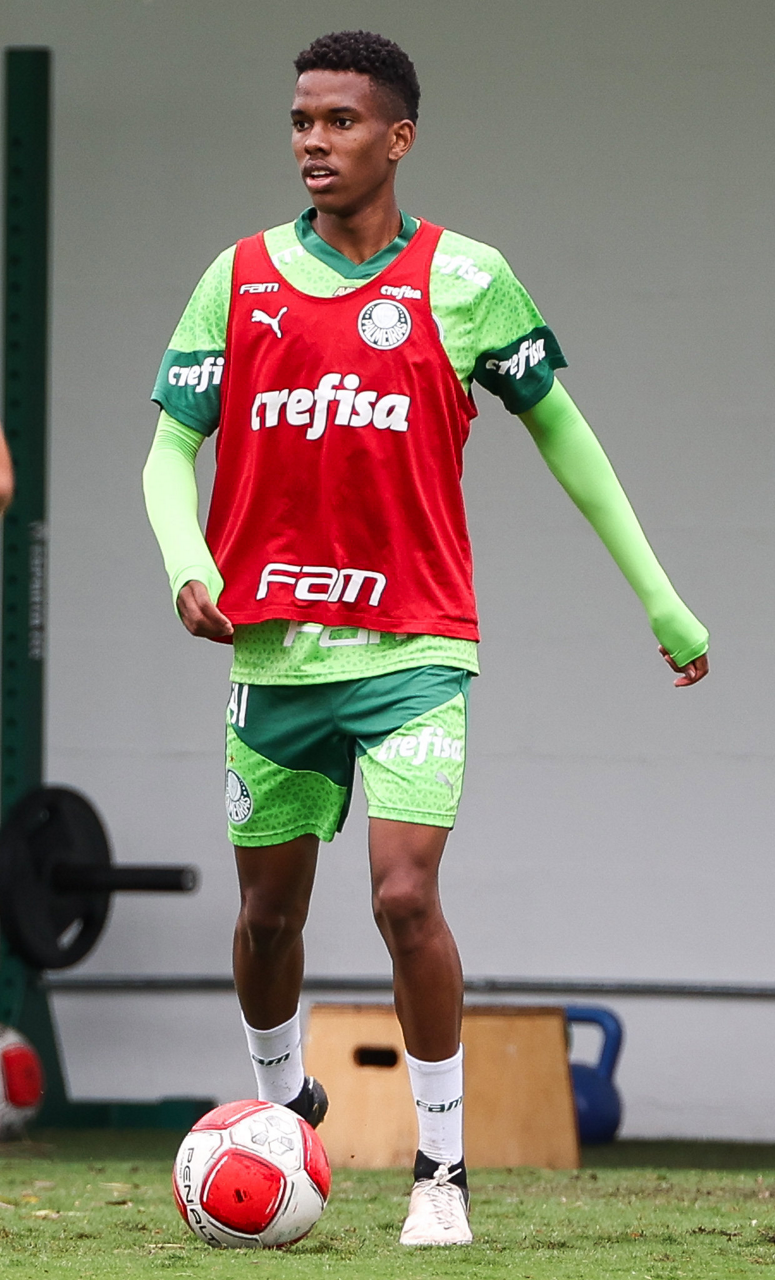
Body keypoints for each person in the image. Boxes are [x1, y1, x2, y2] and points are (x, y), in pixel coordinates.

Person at [143, 30, 708, 1247]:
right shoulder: (237, 278)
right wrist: (188, 562)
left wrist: (658, 596)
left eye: (341, 121)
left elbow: (563, 430)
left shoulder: (467, 279)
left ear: (397, 138)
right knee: (267, 919)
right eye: (302, 120)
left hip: (414, 646)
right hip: (274, 654)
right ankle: (284, 1101)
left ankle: (440, 1167)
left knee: (405, 894)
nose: (314, 142)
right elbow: (167, 449)